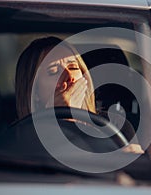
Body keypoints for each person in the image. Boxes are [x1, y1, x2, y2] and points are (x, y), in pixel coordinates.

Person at [15, 36, 143, 154]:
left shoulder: (115, 125)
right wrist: (61, 119)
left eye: (74, 68)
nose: (70, 77)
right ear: (34, 91)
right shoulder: (18, 136)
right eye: (54, 71)